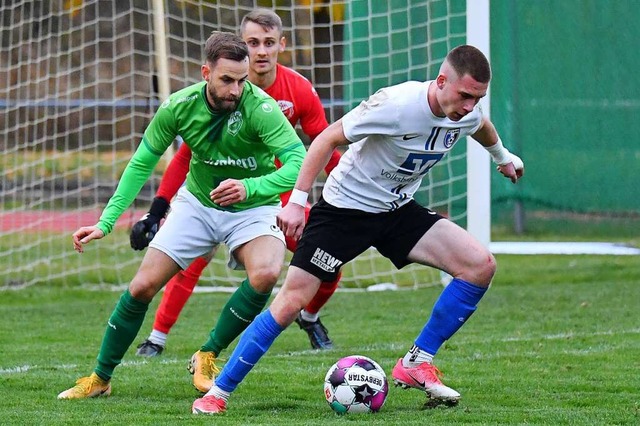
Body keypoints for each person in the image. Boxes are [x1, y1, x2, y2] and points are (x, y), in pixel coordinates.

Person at [190, 45, 525, 414]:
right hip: (343, 213)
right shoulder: (396, 105)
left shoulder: (465, 111)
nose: (469, 106)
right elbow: (326, 138)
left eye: (477, 98)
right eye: (464, 95)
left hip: (396, 211)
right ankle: (217, 394)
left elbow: (481, 126)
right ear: (441, 81)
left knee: (480, 265)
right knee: (289, 303)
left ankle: (416, 363)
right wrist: (298, 202)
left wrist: (503, 157)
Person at [57, 31, 306, 399]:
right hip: (198, 205)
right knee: (141, 286)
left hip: (252, 208)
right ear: (206, 72)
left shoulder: (262, 109)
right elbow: (142, 162)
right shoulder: (178, 106)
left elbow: (299, 161)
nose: (236, 90)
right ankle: (100, 378)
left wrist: (250, 187)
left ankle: (207, 353)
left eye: (242, 79)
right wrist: (106, 222)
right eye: (226, 80)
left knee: (267, 273)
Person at [131, 9, 341, 362]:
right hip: (213, 191)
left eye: (269, 43)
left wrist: (348, 183)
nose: (260, 51)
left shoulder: (298, 90)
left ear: (281, 45)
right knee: (192, 256)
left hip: (277, 194)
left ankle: (309, 317)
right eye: (252, 43)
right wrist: (159, 207)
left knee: (326, 256)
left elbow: (321, 143)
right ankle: (156, 337)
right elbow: (185, 156)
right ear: (239, 49)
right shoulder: (215, 94)